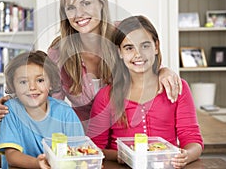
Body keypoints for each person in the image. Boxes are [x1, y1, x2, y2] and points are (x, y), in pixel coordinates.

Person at [0, 0, 182, 130]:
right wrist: (12, 104)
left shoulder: (124, 34)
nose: (79, 14)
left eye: (86, 3)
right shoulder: (58, 53)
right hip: (86, 139)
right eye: (71, 7)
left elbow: (146, 65)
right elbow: (48, 102)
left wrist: (163, 71)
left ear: (101, 3)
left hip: (129, 134)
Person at [86, 16, 203, 169]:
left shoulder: (177, 88)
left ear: (156, 47)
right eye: (129, 48)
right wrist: (121, 155)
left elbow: (192, 139)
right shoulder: (106, 96)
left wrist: (186, 155)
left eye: (145, 46)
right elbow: (94, 148)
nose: (138, 54)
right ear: (119, 52)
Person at [0, 51, 84, 169]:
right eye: (23, 82)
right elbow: (12, 156)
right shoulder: (10, 110)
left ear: (51, 83)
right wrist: (39, 164)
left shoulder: (65, 112)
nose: (32, 87)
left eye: (40, 80)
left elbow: (79, 152)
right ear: (13, 86)